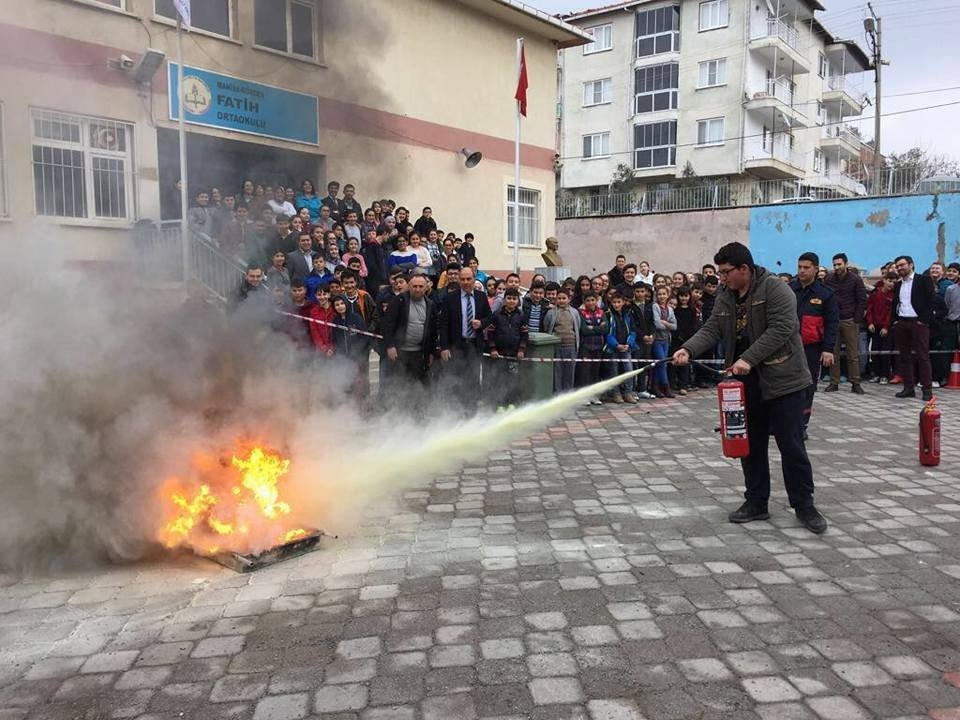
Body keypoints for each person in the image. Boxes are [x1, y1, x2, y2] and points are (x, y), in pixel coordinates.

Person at [673, 242, 825, 534]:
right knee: (750, 444)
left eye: (726, 272)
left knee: (790, 445)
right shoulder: (725, 295)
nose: (722, 278)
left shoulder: (776, 290)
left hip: (785, 381)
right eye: (720, 273)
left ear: (744, 269)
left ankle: (804, 504)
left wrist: (748, 358)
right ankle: (756, 502)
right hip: (746, 383)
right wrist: (688, 350)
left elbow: (782, 330)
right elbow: (712, 328)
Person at [789, 253, 839, 439]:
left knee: (807, 387)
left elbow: (832, 323)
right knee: (785, 386)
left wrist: (827, 349)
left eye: (806, 267)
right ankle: (785, 422)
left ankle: (801, 425)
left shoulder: (826, 294)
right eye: (799, 267)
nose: (801, 270)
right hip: (788, 347)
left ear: (816, 269)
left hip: (812, 348)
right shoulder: (790, 290)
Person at [438, 267, 491, 408]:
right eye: (463, 279)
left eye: (469, 279)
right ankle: (456, 410)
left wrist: (481, 323)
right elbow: (443, 324)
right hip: (456, 346)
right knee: (456, 379)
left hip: (474, 345)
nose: (466, 282)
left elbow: (490, 317)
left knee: (473, 379)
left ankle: (471, 410)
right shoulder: (450, 298)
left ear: (474, 279)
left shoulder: (481, 296)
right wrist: (444, 347)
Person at [891, 255, 938, 401]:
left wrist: (923, 320)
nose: (900, 268)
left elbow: (931, 301)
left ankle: (927, 389)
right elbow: (895, 304)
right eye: (897, 266)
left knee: (923, 356)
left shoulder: (923, 280)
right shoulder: (898, 284)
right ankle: (908, 387)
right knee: (904, 357)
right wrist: (895, 321)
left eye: (902, 265)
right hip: (902, 322)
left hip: (918, 323)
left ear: (911, 265)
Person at [381, 273, 436, 391]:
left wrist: (431, 352)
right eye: (414, 286)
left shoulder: (430, 304)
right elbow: (388, 324)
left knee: (418, 386)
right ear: (409, 286)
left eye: (421, 286)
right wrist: (390, 346)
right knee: (398, 385)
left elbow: (432, 331)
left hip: (419, 353)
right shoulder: (399, 300)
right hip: (400, 352)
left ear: (427, 287)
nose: (417, 289)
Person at [824, 253, 867, 394]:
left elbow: (862, 299)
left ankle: (855, 382)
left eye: (839, 264)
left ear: (846, 264)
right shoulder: (829, 279)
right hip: (833, 320)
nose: (836, 267)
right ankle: (834, 382)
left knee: (852, 354)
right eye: (834, 264)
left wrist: (856, 319)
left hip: (850, 319)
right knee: (833, 353)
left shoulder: (855, 279)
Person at [485, 288, 528, 410]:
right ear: (504, 300)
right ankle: (499, 404)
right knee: (499, 379)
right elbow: (490, 333)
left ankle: (512, 403)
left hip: (514, 355)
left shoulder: (521, 316)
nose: (511, 301)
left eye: (514, 299)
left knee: (513, 379)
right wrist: (493, 349)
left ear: (518, 301)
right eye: (509, 298)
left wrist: (521, 350)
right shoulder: (497, 315)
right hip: (499, 355)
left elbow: (525, 335)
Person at [603, 292, 639, 404]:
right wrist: (616, 345)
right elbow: (607, 333)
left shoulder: (628, 314)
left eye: (619, 302)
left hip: (626, 346)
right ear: (611, 303)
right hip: (613, 347)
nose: (617, 304)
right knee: (614, 371)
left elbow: (633, 331)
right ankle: (616, 393)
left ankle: (628, 392)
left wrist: (629, 344)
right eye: (614, 302)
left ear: (623, 302)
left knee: (629, 369)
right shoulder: (608, 314)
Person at [544, 288, 581, 393]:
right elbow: (547, 327)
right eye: (559, 298)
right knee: (557, 371)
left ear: (569, 299)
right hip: (557, 346)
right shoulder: (551, 313)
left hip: (571, 346)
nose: (561, 300)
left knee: (569, 371)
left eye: (564, 298)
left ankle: (568, 393)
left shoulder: (574, 312)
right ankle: (557, 393)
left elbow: (577, 327)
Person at [865, 271, 897, 384]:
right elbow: (869, 310)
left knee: (885, 352)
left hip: (887, 329)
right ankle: (876, 374)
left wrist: (886, 327)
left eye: (894, 282)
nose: (891, 284)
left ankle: (885, 375)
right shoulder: (875, 294)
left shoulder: (894, 297)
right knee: (874, 351)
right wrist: (870, 323)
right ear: (884, 280)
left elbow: (891, 314)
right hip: (875, 327)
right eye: (889, 281)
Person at [576, 292, 608, 401]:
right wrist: (597, 327)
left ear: (596, 300)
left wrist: (592, 328)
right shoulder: (581, 313)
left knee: (595, 372)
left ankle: (594, 396)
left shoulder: (601, 312)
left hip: (598, 346)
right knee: (585, 372)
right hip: (585, 346)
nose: (590, 303)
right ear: (584, 302)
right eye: (588, 300)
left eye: (593, 300)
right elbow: (584, 330)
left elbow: (605, 329)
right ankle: (584, 396)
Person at [672, 286, 699, 395]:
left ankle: (683, 385)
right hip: (676, 338)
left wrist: (689, 337)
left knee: (685, 362)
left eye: (686, 296)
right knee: (674, 361)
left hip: (688, 339)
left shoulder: (692, 309)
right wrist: (678, 334)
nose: (683, 298)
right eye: (681, 296)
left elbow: (693, 324)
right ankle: (673, 383)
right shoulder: (675, 309)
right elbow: (674, 323)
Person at [651, 285, 676, 398]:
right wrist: (667, 324)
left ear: (667, 295)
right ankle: (666, 387)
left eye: (664, 294)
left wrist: (665, 323)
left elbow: (675, 326)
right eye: (659, 294)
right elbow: (657, 324)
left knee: (662, 364)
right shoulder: (655, 307)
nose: (662, 296)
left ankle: (656, 386)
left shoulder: (670, 309)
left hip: (666, 340)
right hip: (657, 339)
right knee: (662, 362)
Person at [361, 229, 389, 295]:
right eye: (387, 235)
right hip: (375, 281)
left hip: (381, 279)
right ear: (384, 233)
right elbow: (372, 265)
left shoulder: (381, 246)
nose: (388, 238)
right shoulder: (372, 246)